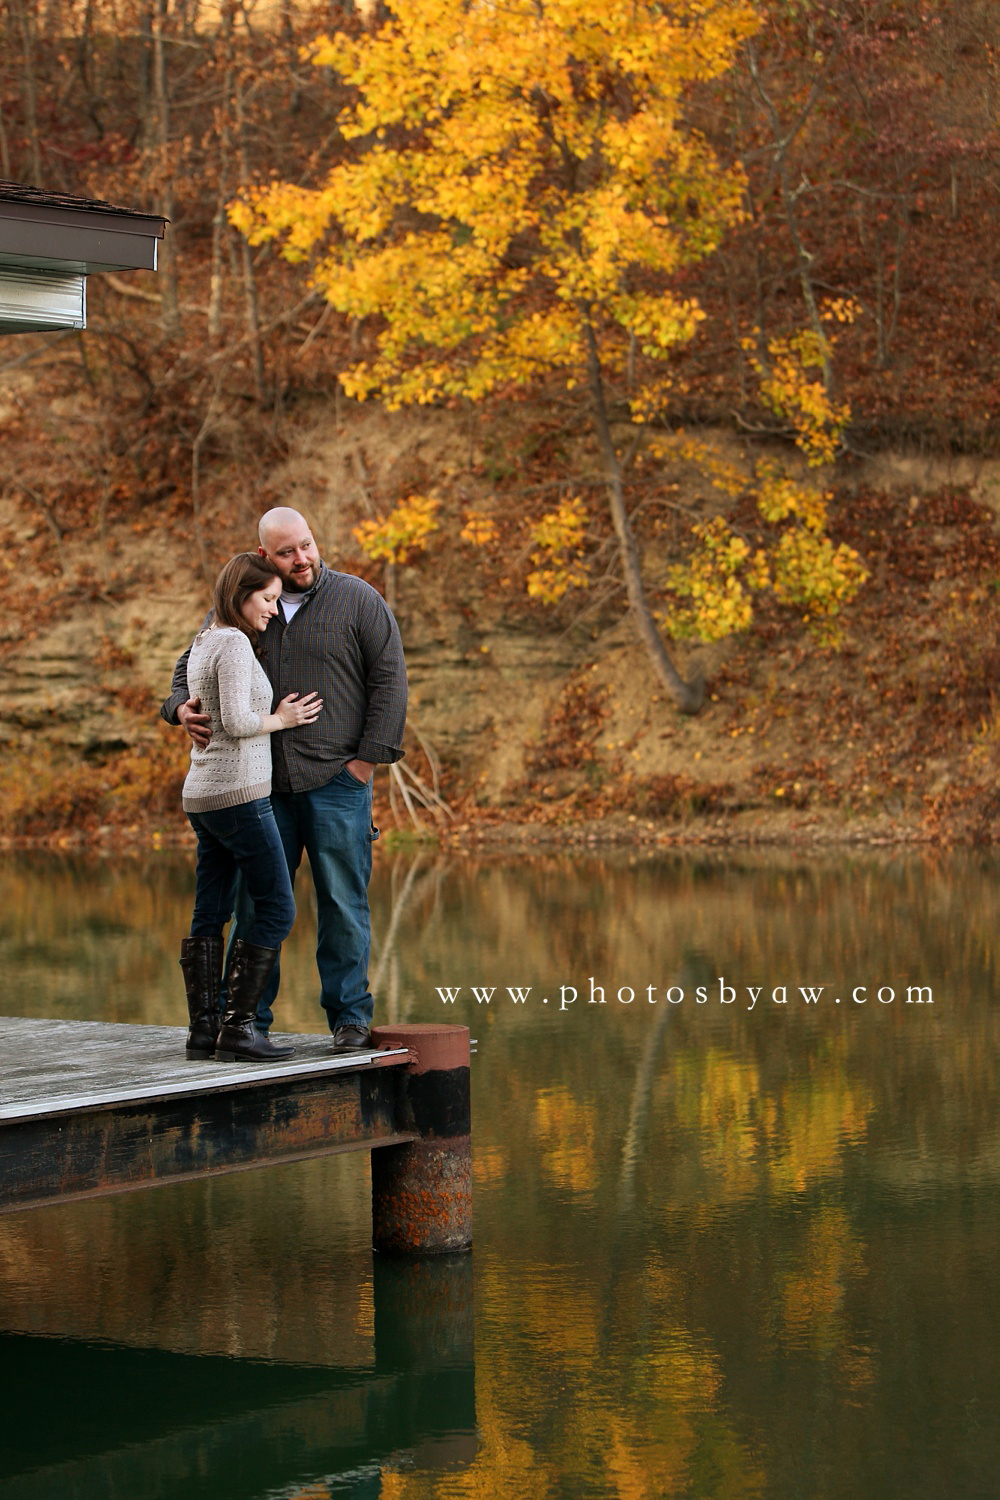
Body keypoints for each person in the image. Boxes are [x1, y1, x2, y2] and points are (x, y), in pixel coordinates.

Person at [162, 508, 407, 1053]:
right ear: (262, 557)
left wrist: (365, 763)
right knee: (256, 902)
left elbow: (390, 679)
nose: (302, 558)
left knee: (343, 903)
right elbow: (186, 669)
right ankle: (247, 1022)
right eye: (288, 551)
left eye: (307, 545)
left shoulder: (358, 599)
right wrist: (179, 708)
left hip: (337, 780)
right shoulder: (237, 609)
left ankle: (349, 1020)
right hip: (260, 788)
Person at [179, 552, 323, 1062]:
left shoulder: (203, 641)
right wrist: (282, 718)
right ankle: (239, 1029)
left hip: (203, 796)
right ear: (241, 596)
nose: (271, 609)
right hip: (239, 796)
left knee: (210, 910)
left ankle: (205, 1031)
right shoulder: (235, 644)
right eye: (265, 599)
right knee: (279, 908)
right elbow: (239, 722)